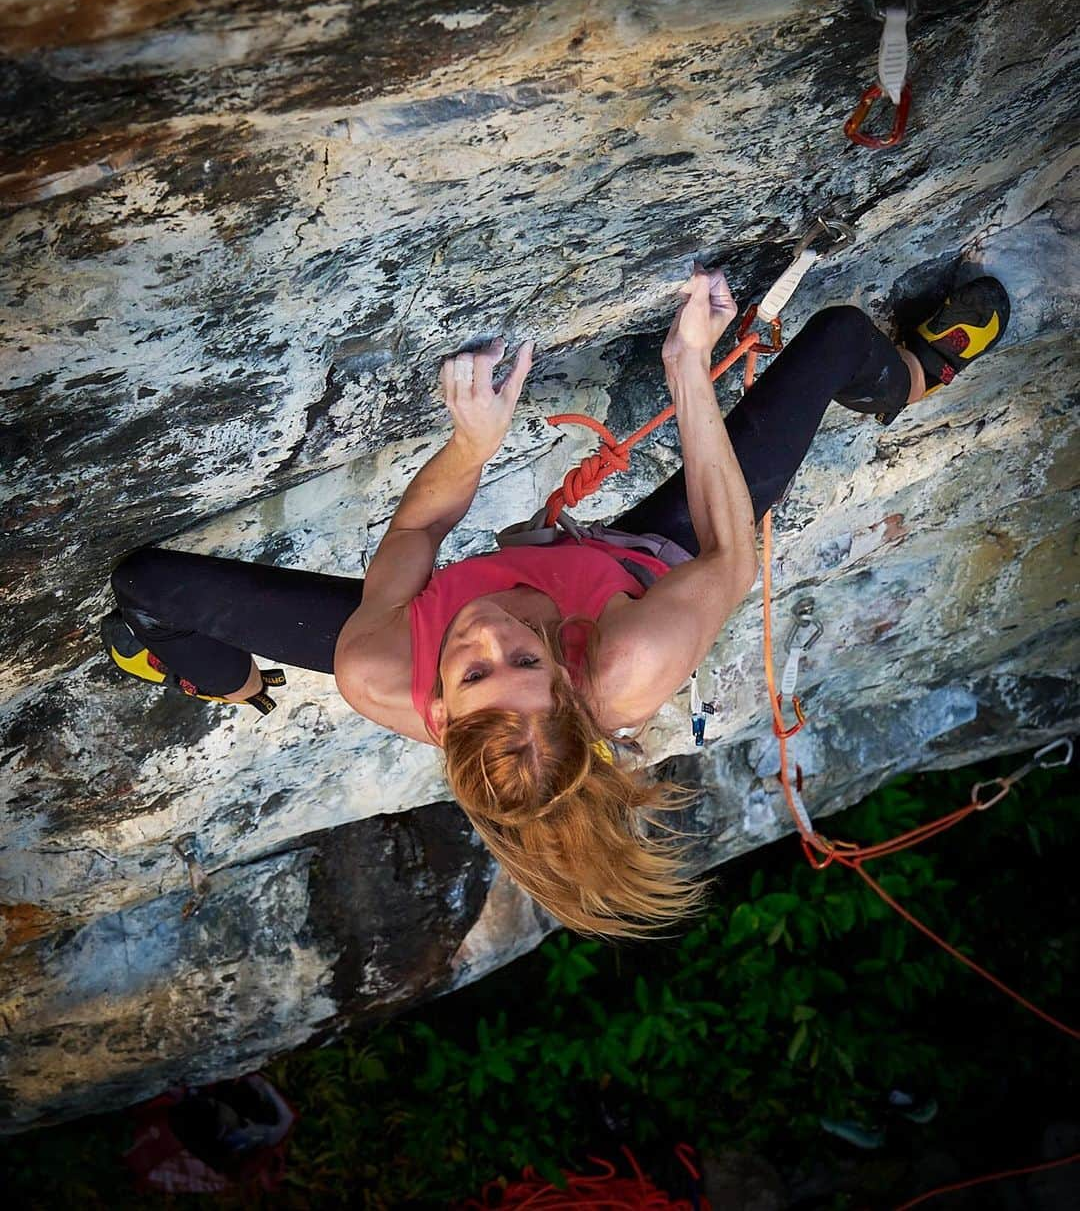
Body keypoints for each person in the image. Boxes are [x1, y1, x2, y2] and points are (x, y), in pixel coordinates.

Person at [104, 268, 1009, 936]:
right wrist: (688, 366)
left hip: (445, 617)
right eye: (526, 660)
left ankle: (206, 676)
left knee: (146, 588)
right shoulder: (631, 663)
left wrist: (473, 444)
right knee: (844, 336)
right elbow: (733, 553)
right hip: (650, 559)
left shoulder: (380, 669)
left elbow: (416, 541)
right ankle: (915, 376)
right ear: (571, 682)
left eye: (475, 669)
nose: (492, 632)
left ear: (441, 705)